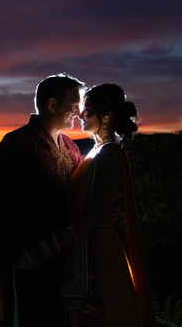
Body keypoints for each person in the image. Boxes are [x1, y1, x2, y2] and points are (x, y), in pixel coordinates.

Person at [18, 83, 156, 327]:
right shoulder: (95, 152)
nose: (81, 115)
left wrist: (46, 247)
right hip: (86, 248)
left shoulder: (110, 155)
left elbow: (96, 213)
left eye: (88, 110)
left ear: (107, 115)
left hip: (100, 255)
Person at [0, 73, 84, 327]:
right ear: (52, 105)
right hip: (27, 260)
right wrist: (13, 254)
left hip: (63, 258)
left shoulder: (72, 149)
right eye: (74, 105)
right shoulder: (18, 142)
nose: (79, 112)